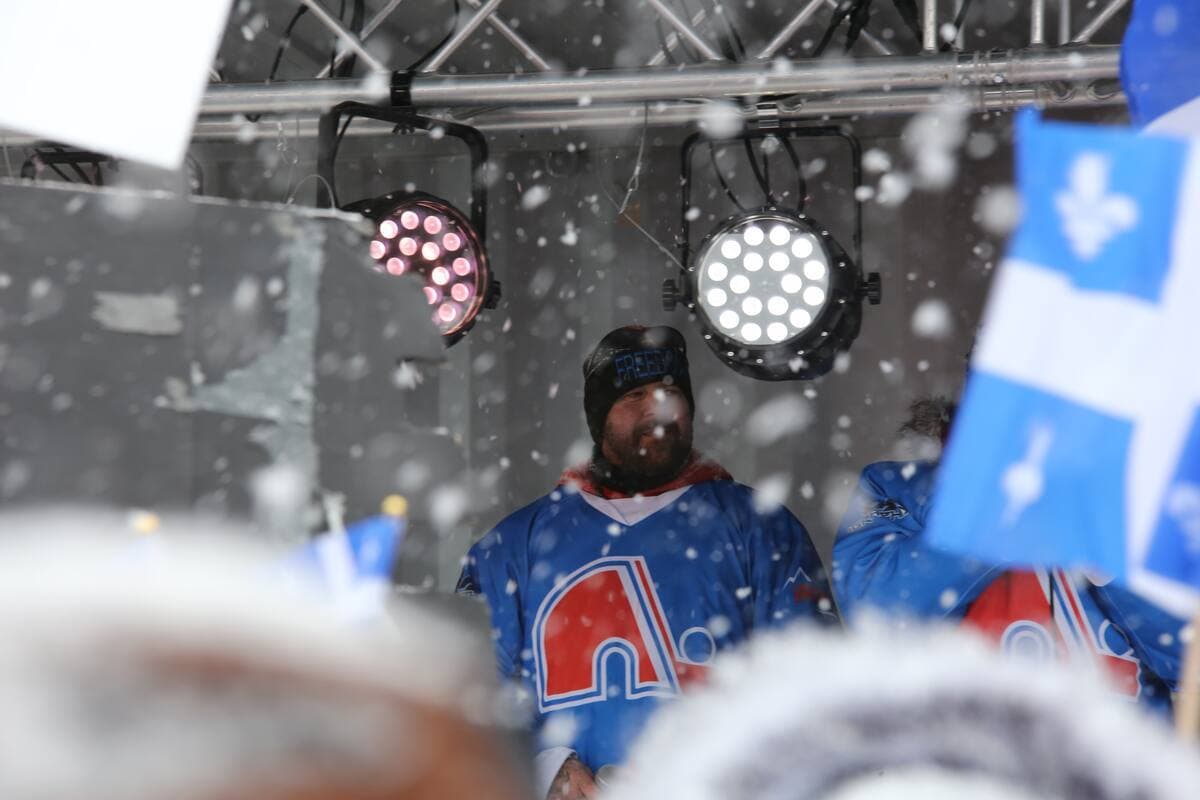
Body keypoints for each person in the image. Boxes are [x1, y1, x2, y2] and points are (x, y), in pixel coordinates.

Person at [458, 324, 835, 800]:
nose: (657, 408)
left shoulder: (761, 525)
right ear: (599, 417)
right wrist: (546, 767)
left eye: (670, 391)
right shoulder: (514, 544)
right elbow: (459, 693)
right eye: (634, 395)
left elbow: (815, 680)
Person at [832, 398, 1184, 713]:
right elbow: (875, 607)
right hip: (957, 755)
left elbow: (1187, 660)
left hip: (1116, 757)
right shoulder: (899, 486)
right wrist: (999, 513)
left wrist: (1107, 557)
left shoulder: (1148, 508)